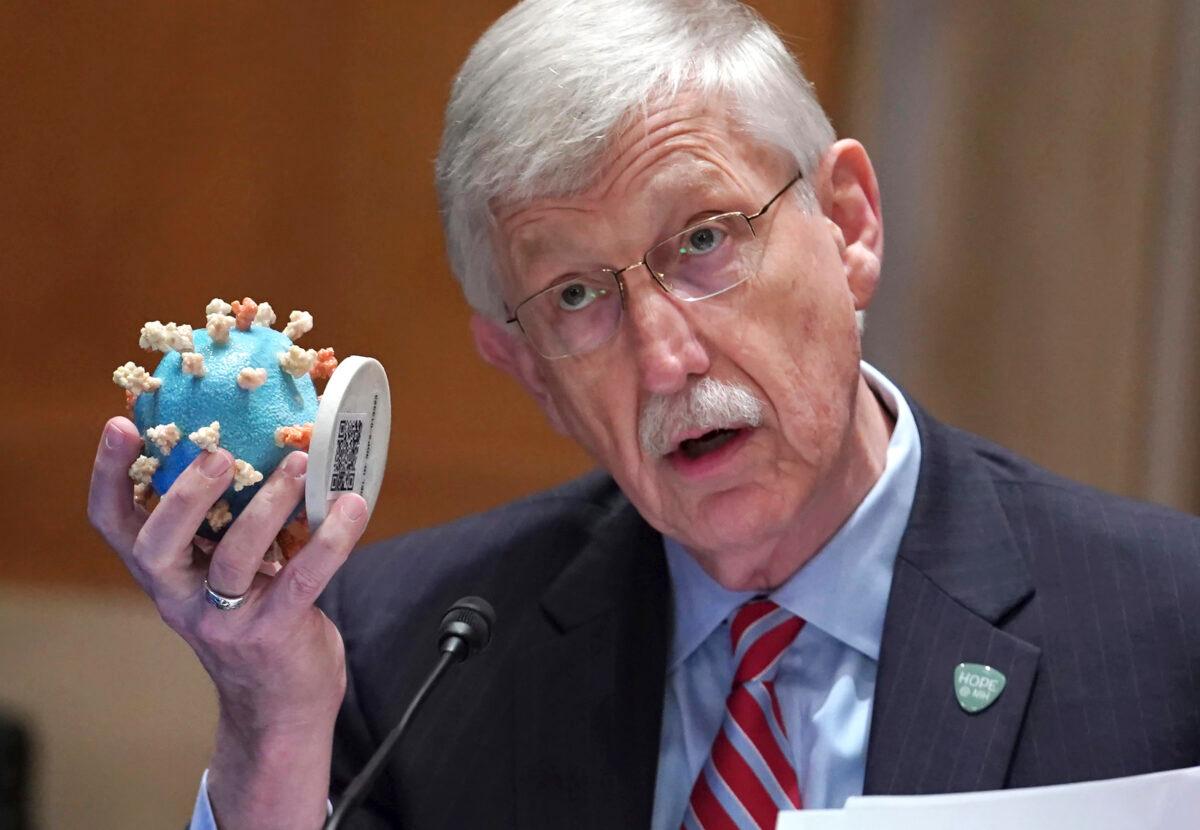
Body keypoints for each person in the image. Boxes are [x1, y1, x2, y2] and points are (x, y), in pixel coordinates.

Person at [87, 1, 1200, 828]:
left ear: (849, 225)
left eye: (705, 239)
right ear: (525, 367)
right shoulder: (412, 652)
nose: (665, 356)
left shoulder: (1167, 626)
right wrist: (272, 719)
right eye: (576, 295)